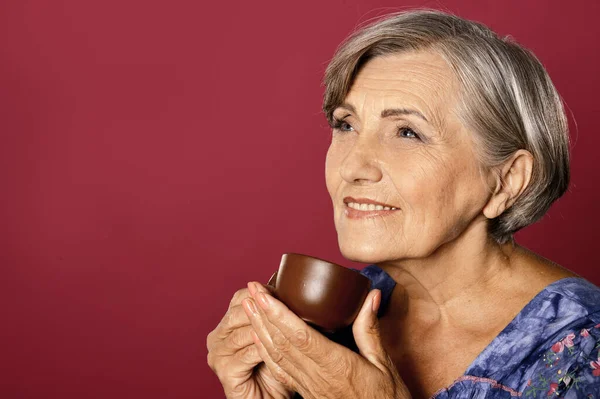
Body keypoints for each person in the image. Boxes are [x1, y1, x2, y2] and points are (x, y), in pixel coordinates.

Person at [206, 9, 600, 399]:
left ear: (507, 180)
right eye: (346, 124)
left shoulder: (585, 351)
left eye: (408, 132)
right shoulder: (337, 315)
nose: (353, 167)